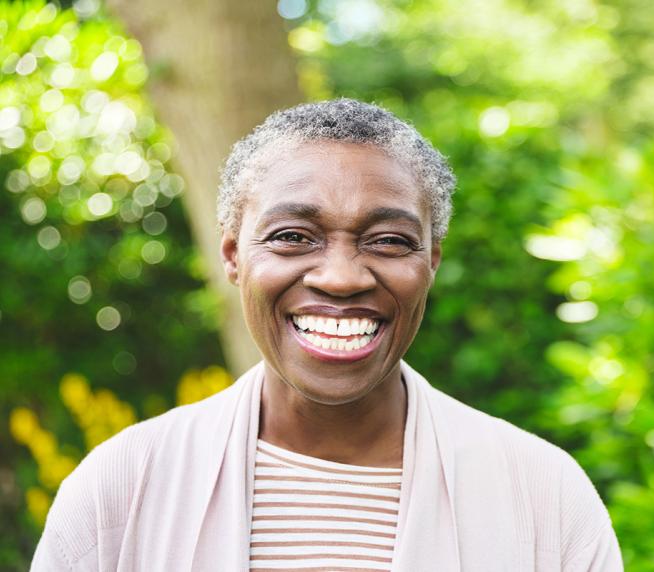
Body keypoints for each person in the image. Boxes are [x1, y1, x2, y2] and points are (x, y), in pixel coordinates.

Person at [31, 99, 622, 571]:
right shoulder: (123, 487)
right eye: (293, 235)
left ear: (431, 263)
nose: (341, 278)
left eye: (389, 240)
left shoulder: (544, 497)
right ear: (234, 255)